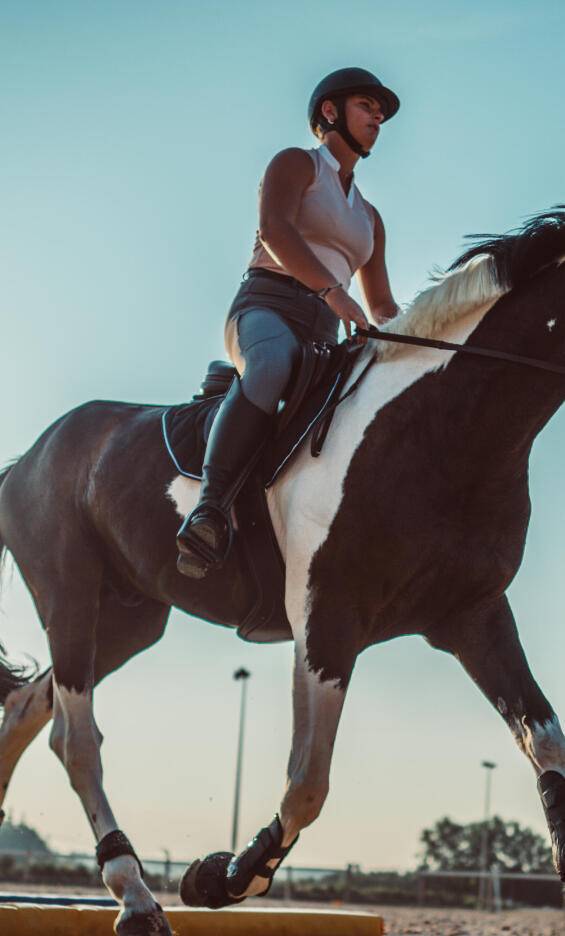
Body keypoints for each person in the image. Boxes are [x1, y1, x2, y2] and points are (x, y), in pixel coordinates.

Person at [175, 67, 404, 579]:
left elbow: (383, 304)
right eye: (368, 106)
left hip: (324, 334)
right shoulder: (297, 164)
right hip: (265, 308)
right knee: (272, 364)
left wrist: (427, 338)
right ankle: (209, 510)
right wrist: (333, 291)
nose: (378, 118)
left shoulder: (371, 217)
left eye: (381, 113)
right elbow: (274, 229)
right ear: (330, 112)